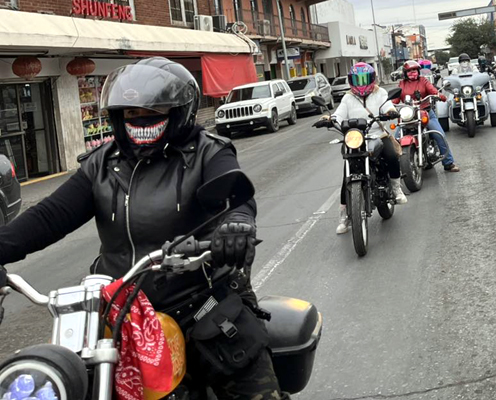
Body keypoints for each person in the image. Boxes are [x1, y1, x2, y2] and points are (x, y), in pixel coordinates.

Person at [0, 57, 286, 399]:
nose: (139, 120)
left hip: (202, 304)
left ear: (180, 111)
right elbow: (48, 217)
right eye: (130, 113)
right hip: (124, 315)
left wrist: (237, 225)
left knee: (254, 387)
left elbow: (235, 199)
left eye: (153, 111)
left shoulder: (208, 152)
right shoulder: (101, 165)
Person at [319, 62, 407, 235]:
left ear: (372, 79)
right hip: (355, 138)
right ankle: (344, 217)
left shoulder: (380, 93)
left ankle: (396, 189)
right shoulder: (347, 97)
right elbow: (339, 114)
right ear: (351, 80)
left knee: (390, 155)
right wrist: (329, 119)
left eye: (364, 79)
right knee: (346, 176)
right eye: (357, 79)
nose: (361, 83)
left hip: (377, 134)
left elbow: (386, 106)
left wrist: (390, 112)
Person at [395, 60, 461, 173]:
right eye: (409, 71)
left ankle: (449, 163)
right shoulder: (402, 84)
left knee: (439, 135)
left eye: (414, 71)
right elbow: (395, 98)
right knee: (395, 140)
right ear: (405, 73)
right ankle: (396, 170)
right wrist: (390, 104)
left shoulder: (423, 81)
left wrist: (439, 95)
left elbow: (432, 90)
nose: (412, 73)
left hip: (425, 112)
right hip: (408, 115)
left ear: (418, 71)